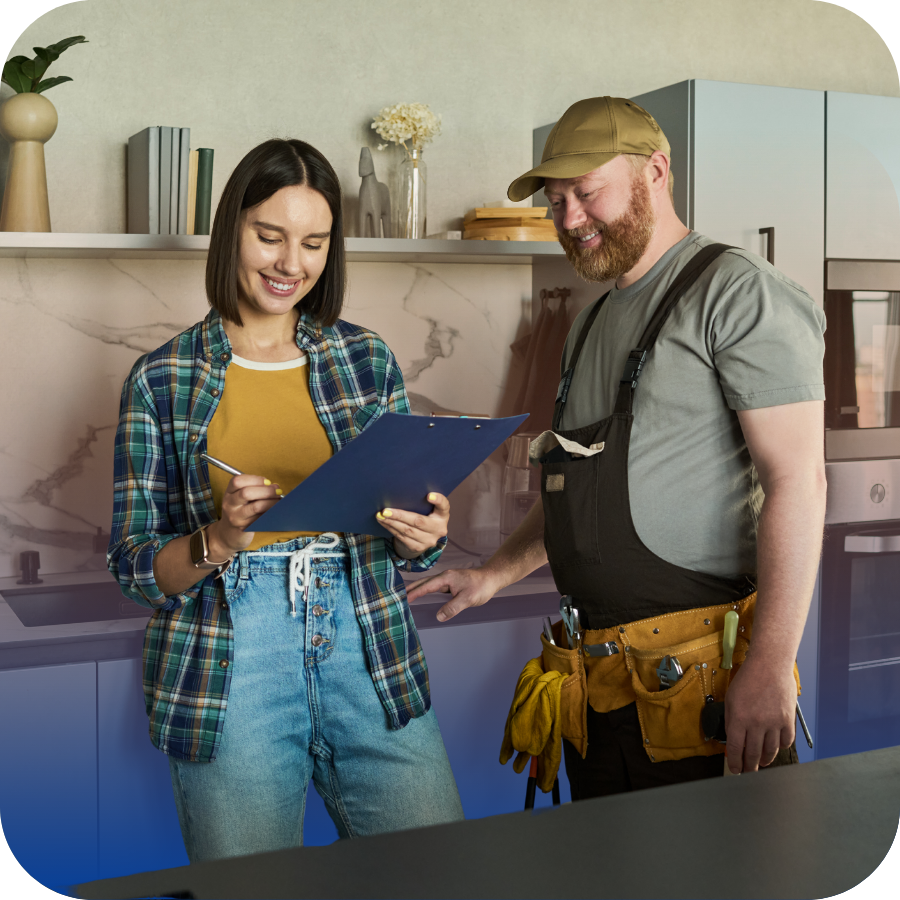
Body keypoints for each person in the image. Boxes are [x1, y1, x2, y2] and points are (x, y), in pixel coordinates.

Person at [408, 97, 827, 795]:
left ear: (656, 171)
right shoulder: (590, 320)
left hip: (707, 688)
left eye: (586, 193)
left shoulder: (736, 291)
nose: (568, 219)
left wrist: (769, 667)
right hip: (597, 693)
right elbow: (577, 486)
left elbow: (799, 482)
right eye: (555, 201)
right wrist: (493, 574)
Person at [108, 138, 464, 861]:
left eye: (313, 243)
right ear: (231, 231)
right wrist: (221, 538)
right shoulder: (162, 378)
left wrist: (421, 536)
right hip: (231, 659)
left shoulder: (367, 360)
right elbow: (134, 566)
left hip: (368, 647)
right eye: (269, 236)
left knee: (441, 874)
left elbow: (407, 533)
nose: (290, 263)